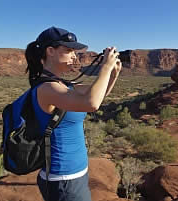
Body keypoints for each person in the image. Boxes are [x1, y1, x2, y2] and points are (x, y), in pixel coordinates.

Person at [25, 26, 122, 201]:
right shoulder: (47, 88)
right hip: (63, 178)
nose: (74, 56)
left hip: (74, 174)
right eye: (69, 50)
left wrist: (113, 74)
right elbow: (91, 104)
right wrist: (105, 68)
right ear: (50, 51)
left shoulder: (64, 85)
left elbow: (98, 93)